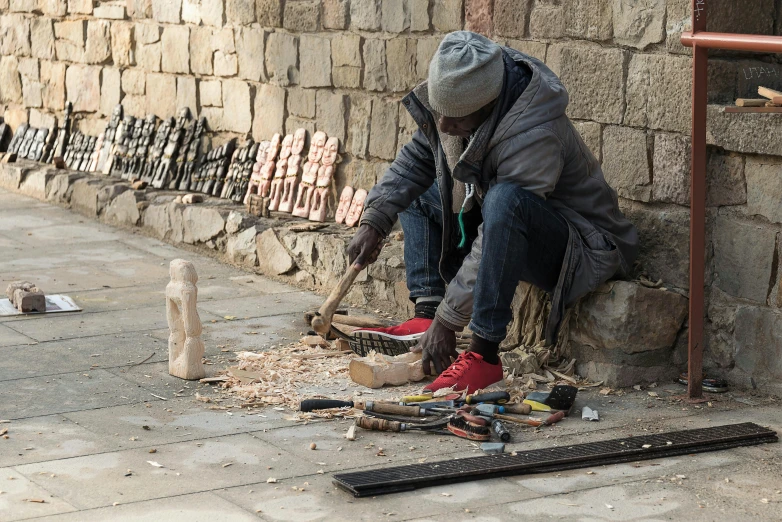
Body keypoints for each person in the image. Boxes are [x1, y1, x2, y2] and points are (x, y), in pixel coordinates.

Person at [347, 31, 639, 393]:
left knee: (505, 200)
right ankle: (426, 310)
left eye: (454, 119)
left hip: (582, 247)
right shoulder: (463, 99)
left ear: (486, 107)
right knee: (426, 186)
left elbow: (496, 230)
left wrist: (451, 320)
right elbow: (418, 159)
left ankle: (485, 356)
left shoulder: (534, 132)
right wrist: (375, 219)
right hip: (511, 222)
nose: (443, 126)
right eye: (440, 113)